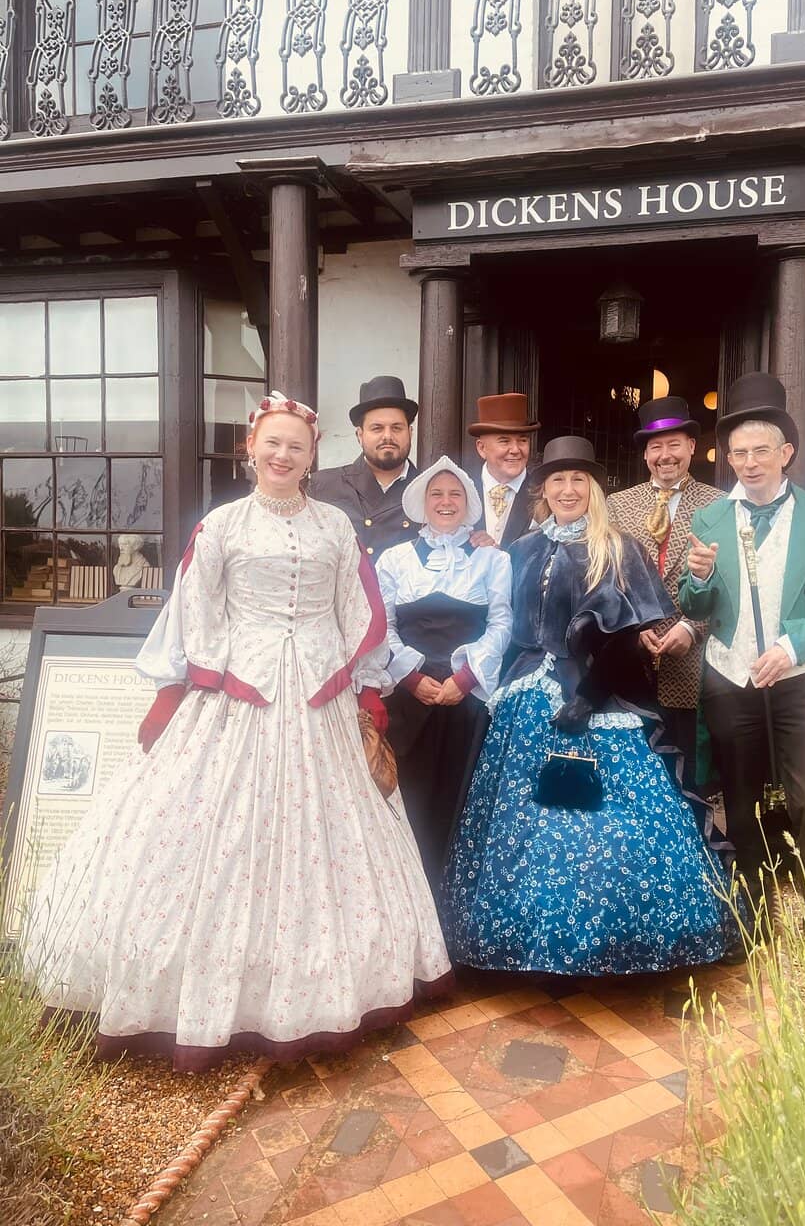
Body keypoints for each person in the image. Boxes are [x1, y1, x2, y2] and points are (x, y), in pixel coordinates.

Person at [23, 390, 451, 1071]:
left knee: (324, 839)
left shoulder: (336, 528)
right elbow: (195, 609)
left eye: (297, 446)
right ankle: (191, 996)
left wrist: (354, 681)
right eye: (272, 443)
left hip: (319, 689)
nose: (283, 455)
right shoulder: (221, 526)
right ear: (251, 449)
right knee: (204, 827)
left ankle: (321, 991)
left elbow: (359, 610)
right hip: (237, 686)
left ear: (314, 459)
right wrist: (215, 674)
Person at [442, 436, 736, 974]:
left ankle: (612, 941)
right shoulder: (521, 550)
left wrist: (589, 696)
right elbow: (503, 626)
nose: (568, 488)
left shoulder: (620, 546)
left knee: (607, 823)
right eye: (558, 479)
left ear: (595, 488)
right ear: (544, 489)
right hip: (526, 700)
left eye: (579, 479)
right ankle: (523, 944)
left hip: (601, 699)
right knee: (521, 825)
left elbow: (628, 636)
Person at [678, 373, 805, 928]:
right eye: (738, 453)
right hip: (729, 678)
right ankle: (753, 920)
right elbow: (698, 604)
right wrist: (697, 578)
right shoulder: (710, 516)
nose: (749, 462)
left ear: (786, 453)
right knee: (741, 802)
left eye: (761, 451)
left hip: (798, 678)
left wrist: (790, 645)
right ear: (727, 458)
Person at [377, 457, 512, 886]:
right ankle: (408, 898)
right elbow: (382, 626)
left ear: (469, 501)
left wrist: (466, 679)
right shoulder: (393, 559)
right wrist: (412, 679)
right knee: (408, 799)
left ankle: (452, 908)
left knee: (461, 798)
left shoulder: (494, 560)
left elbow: (503, 623)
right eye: (436, 493)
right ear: (421, 501)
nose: (446, 501)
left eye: (455, 493)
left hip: (465, 698)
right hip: (409, 698)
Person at [606, 395, 724, 776]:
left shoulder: (719, 504)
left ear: (692, 446)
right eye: (656, 447)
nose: (665, 455)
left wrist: (692, 627)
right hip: (632, 660)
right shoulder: (616, 505)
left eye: (674, 444)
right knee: (635, 775)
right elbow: (606, 580)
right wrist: (633, 633)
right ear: (645, 455)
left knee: (688, 774)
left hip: (692, 662)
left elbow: (731, 586)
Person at [311, 376, 420, 560]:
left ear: (409, 433)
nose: (387, 436)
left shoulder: (429, 489)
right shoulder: (322, 486)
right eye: (377, 428)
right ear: (359, 435)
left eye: (397, 428)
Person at [468, 393, 539, 549]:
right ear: (481, 448)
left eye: (522, 440)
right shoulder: (461, 490)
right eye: (504, 441)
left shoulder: (543, 494)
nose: (515, 449)